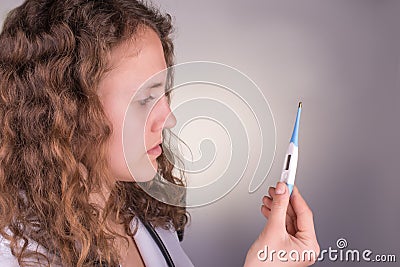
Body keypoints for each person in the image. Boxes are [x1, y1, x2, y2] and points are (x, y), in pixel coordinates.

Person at [0, 0, 320, 266]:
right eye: (144, 99)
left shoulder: (146, 214)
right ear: (67, 112)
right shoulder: (16, 254)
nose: (169, 120)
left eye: (163, 91)